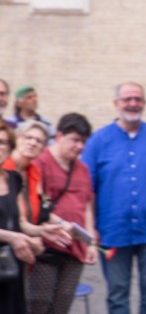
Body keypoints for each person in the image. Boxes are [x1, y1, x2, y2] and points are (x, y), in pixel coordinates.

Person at [82, 81, 146, 314]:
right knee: (117, 294)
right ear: (116, 103)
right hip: (112, 231)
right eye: (127, 99)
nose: (133, 104)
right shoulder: (98, 141)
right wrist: (92, 227)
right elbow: (88, 189)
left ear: (144, 104)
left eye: (138, 99)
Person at [28, 113, 98, 314]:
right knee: (38, 303)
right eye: (75, 140)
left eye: (83, 142)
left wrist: (90, 241)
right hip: (47, 247)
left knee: (62, 305)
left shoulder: (83, 169)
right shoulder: (40, 163)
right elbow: (36, 204)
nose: (80, 147)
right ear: (59, 136)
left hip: (75, 249)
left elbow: (86, 206)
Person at [0, 121, 44, 314]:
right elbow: (14, 233)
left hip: (10, 265)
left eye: (4, 142)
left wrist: (42, 232)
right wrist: (14, 238)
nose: (0, 146)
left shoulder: (14, 178)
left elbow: (20, 223)